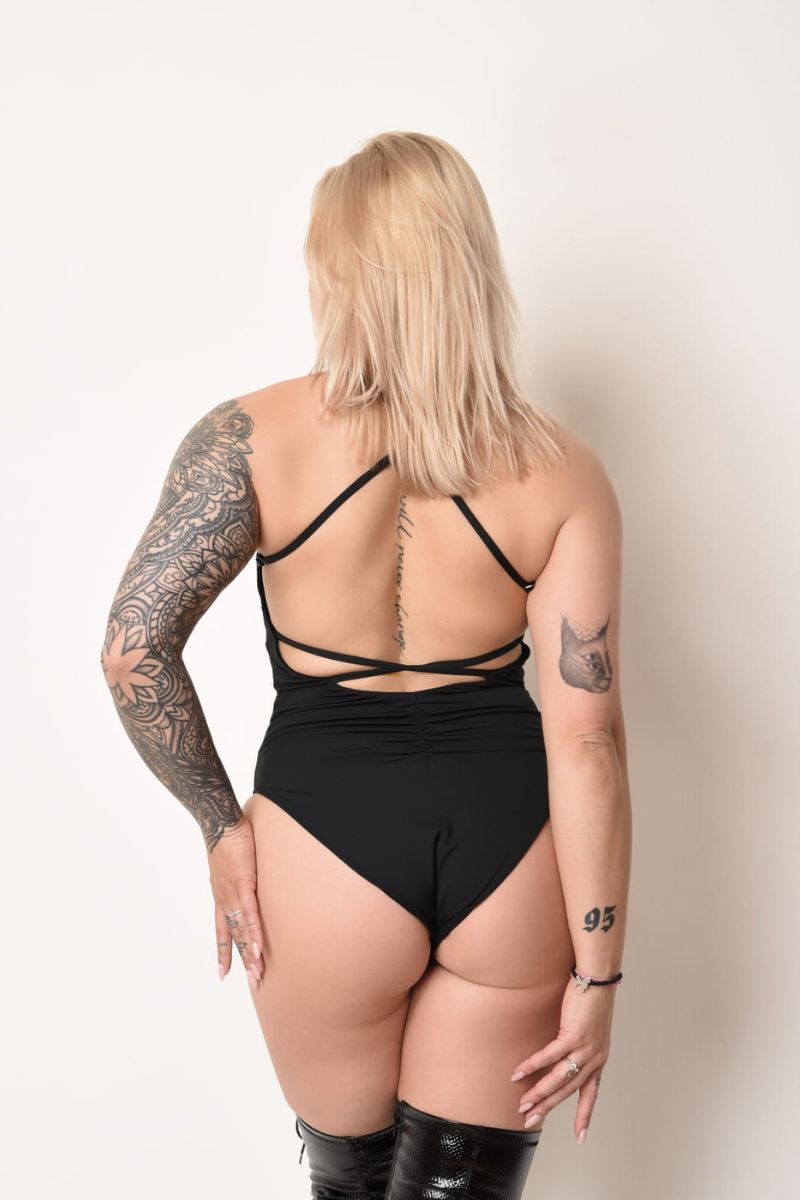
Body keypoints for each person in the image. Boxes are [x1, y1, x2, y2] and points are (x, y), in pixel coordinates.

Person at [100, 130, 632, 1199]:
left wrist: (219, 826)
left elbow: (132, 650)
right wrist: (599, 972)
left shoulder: (251, 437)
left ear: (337, 272)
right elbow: (585, 737)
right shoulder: (561, 469)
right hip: (507, 856)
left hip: (321, 849)